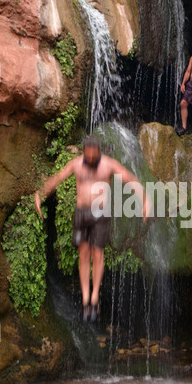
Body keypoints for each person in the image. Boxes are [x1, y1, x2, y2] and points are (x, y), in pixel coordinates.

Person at [35, 135, 151, 323]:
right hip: (81, 213)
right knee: (83, 254)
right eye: (87, 156)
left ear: (98, 152)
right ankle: (85, 297)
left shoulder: (108, 164)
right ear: (84, 153)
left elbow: (130, 179)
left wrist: (145, 200)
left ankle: (95, 297)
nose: (90, 160)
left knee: (97, 254)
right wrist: (40, 194)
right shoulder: (76, 164)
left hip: (100, 213)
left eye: (93, 156)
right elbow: (57, 179)